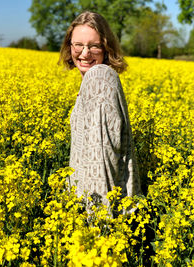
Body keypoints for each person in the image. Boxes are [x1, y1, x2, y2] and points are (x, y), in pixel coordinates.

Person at [59, 11, 141, 209]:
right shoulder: (93, 80)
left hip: (102, 216)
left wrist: (99, 227)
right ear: (69, 46)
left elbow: (102, 163)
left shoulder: (99, 79)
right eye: (78, 45)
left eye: (94, 46)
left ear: (106, 48)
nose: (84, 53)